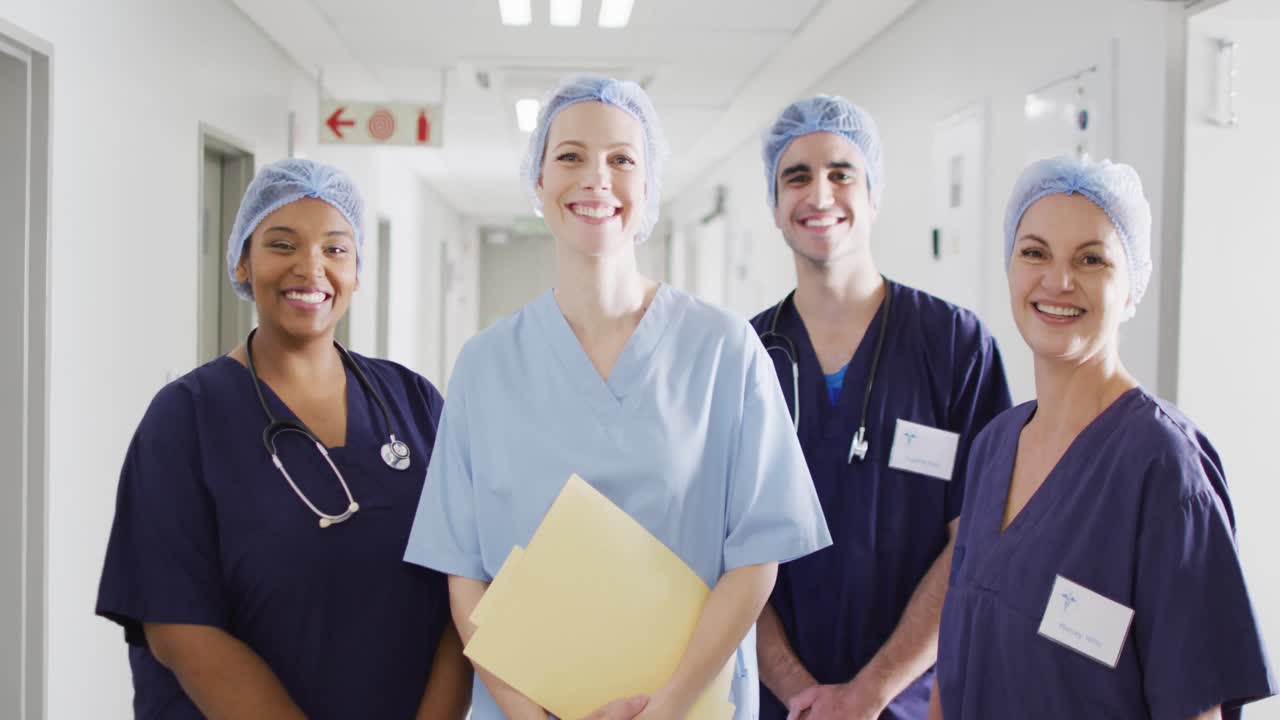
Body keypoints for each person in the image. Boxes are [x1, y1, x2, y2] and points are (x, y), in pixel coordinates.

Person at [403, 74, 832, 720]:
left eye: (622, 160)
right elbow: (464, 574)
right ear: (539, 182)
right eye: (570, 156)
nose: (596, 179)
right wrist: (527, 712)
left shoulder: (724, 351)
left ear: (650, 185)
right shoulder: (485, 366)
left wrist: (665, 708)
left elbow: (755, 560)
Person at [96, 158, 471, 719]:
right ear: (243, 263)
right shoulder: (185, 420)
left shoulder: (414, 403)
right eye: (282, 244)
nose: (311, 268)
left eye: (336, 248)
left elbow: (462, 591)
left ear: (358, 270)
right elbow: (177, 627)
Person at [932, 156, 1277, 719]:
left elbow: (1195, 707)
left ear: (1132, 286)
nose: (1058, 281)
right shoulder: (994, 446)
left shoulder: (1164, 466)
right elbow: (956, 663)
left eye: (1091, 259)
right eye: (1034, 252)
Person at [749, 95, 1011, 720]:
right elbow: (719, 550)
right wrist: (797, 692)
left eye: (842, 172)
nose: (820, 194)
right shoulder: (744, 357)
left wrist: (872, 691)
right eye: (797, 176)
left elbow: (977, 540)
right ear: (775, 205)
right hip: (778, 703)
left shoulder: (954, 346)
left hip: (915, 702)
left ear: (874, 195)